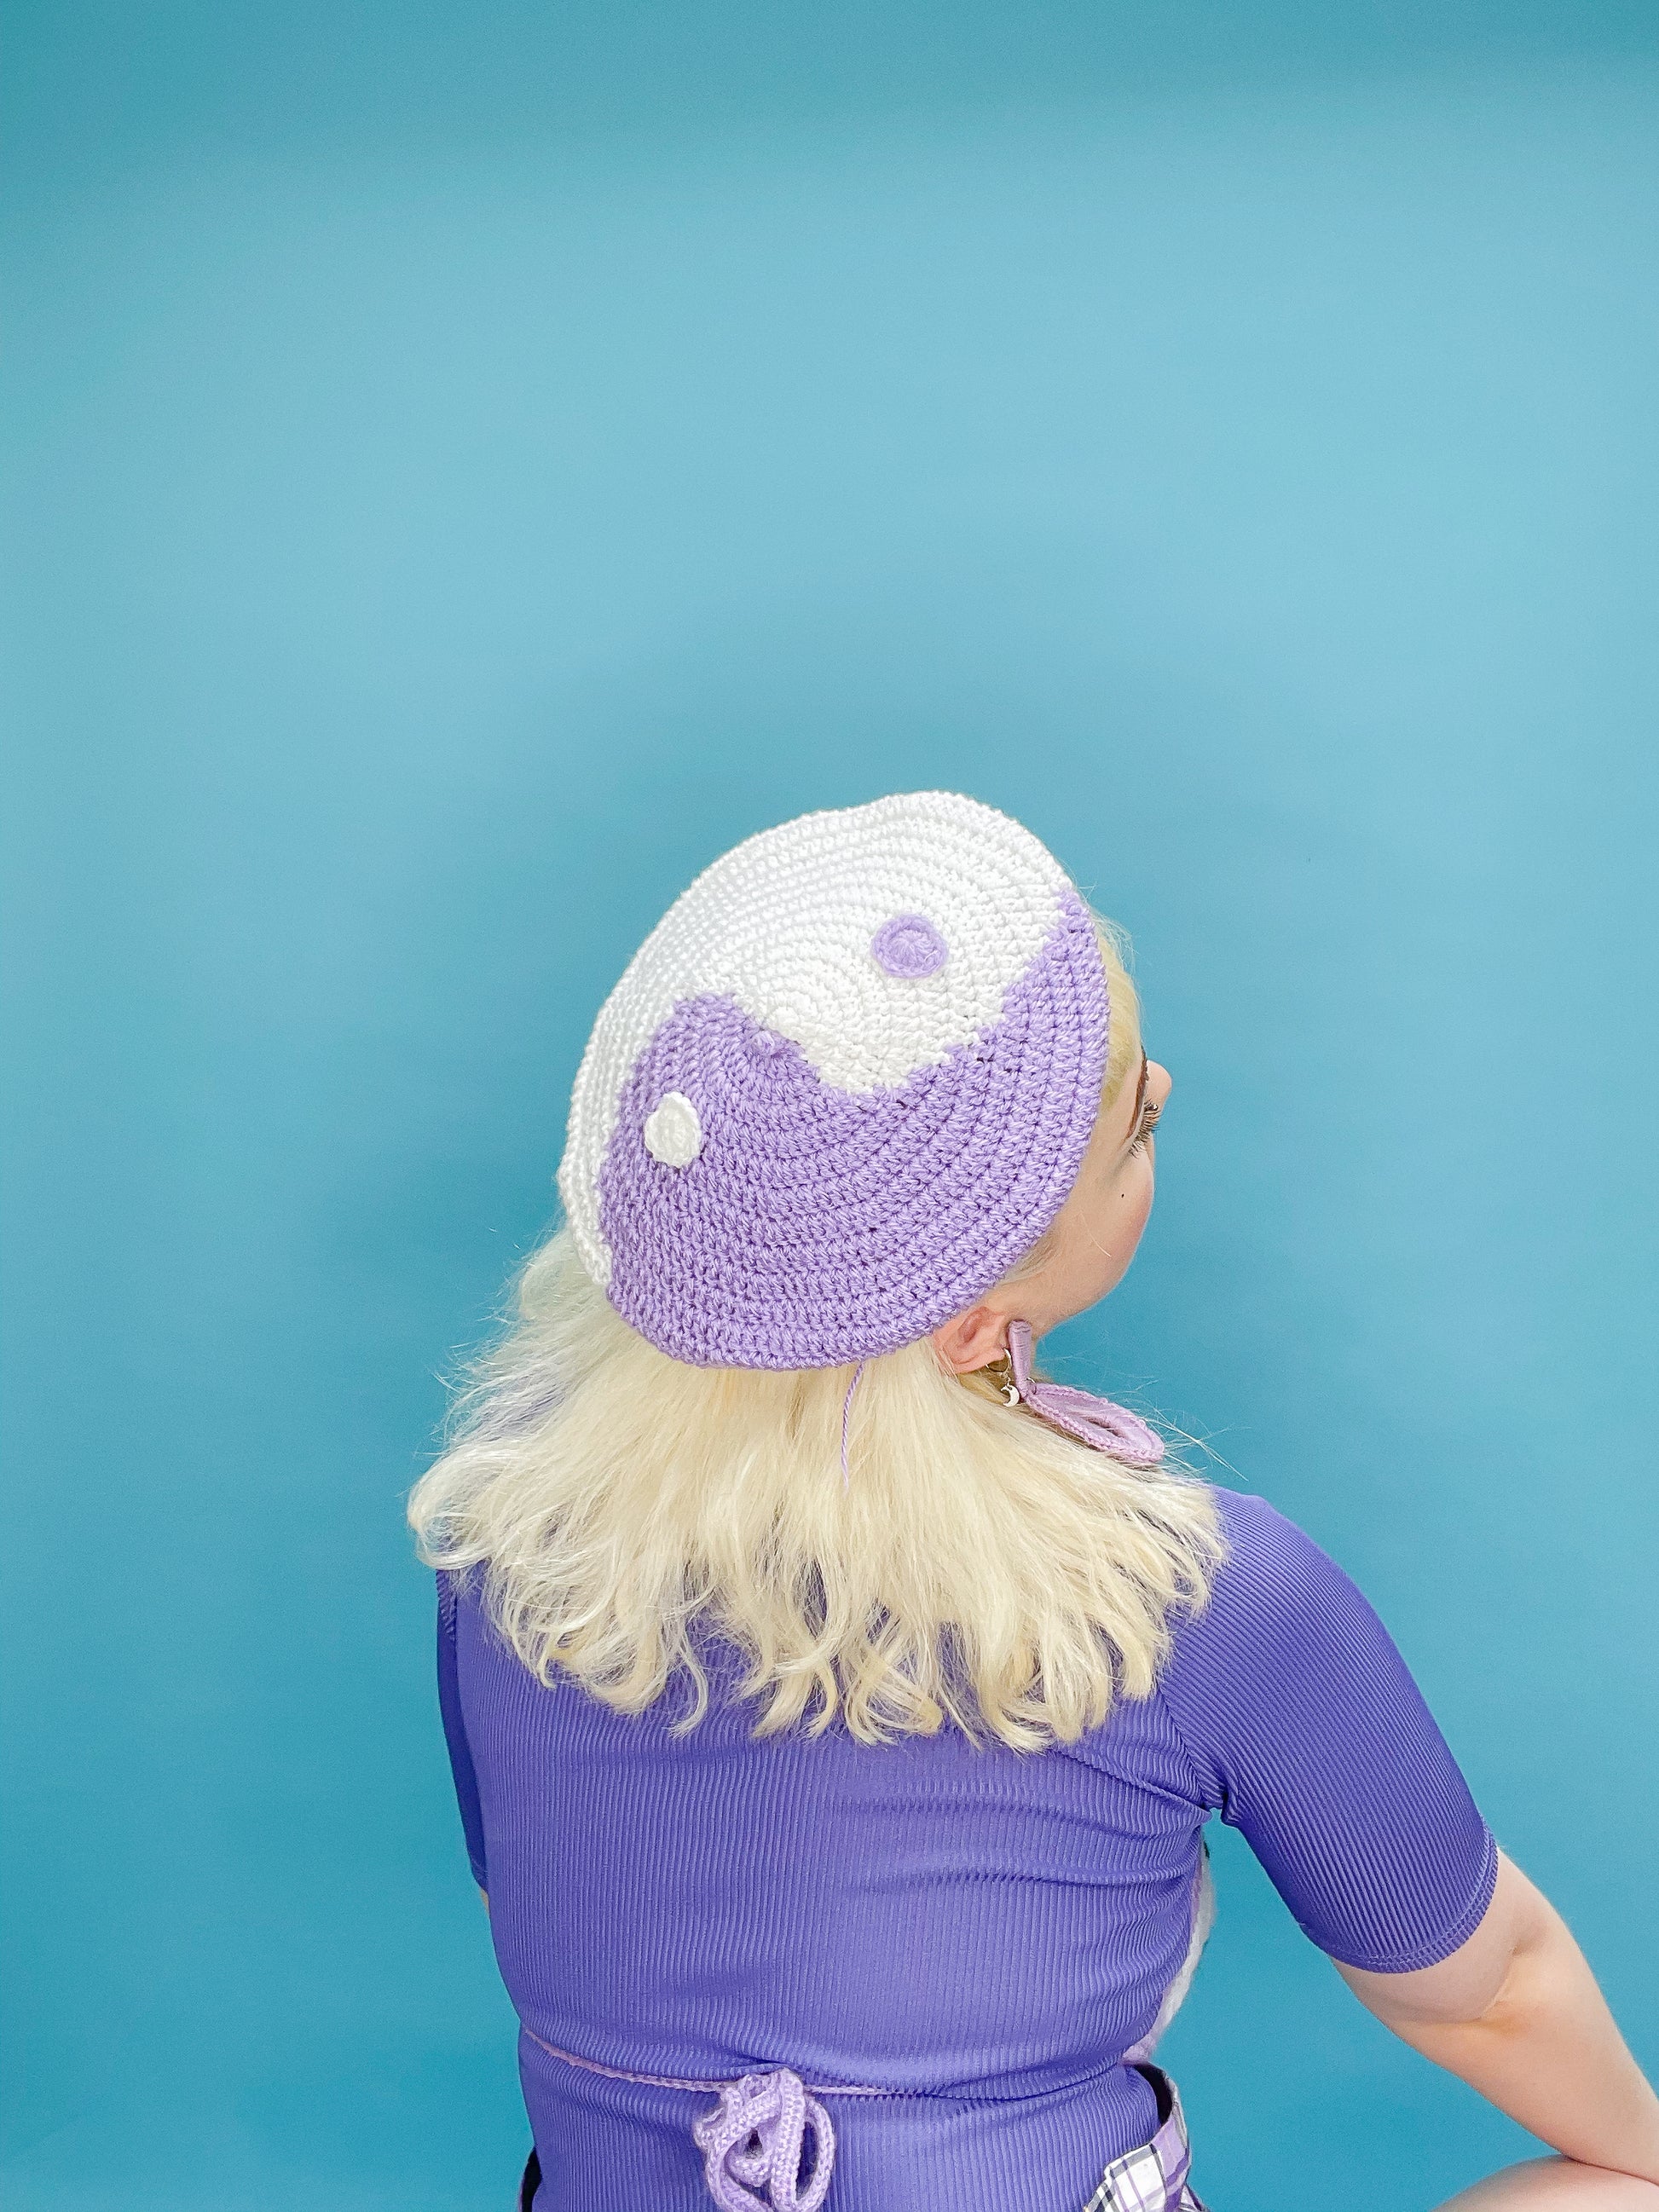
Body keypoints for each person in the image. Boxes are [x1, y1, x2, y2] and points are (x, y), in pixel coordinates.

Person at [410, 791, 1659, 2212]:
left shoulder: (510, 1545)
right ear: (967, 1329)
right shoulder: (1194, 1596)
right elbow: (1488, 1991)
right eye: (1131, 1123)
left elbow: (529, 1903)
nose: (1165, 1093)